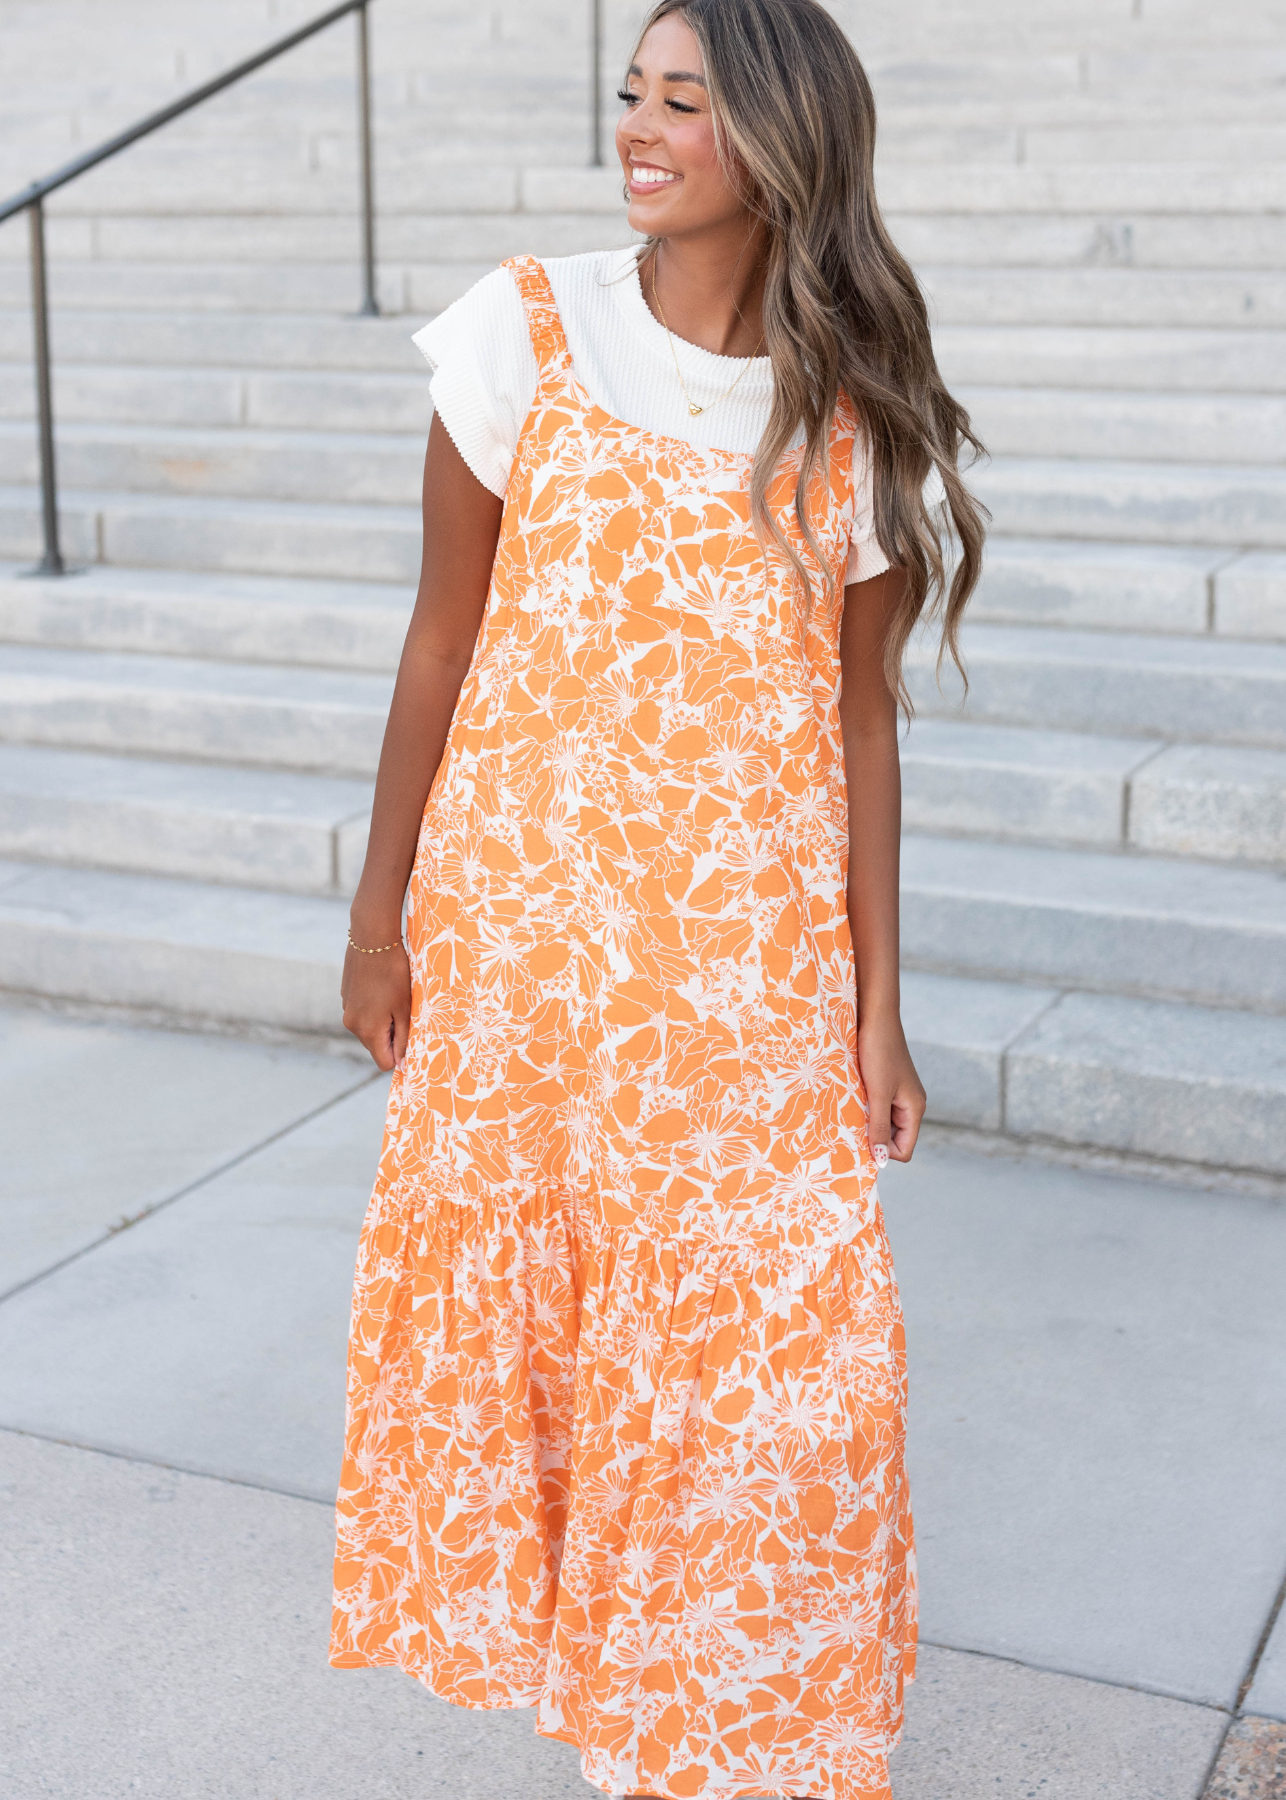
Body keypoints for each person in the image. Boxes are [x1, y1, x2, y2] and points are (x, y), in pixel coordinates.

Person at [329, 2, 984, 1796]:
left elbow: (858, 717)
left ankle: (734, 1712)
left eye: (682, 101)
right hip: (533, 957)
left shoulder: (843, 416)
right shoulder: (521, 329)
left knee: (798, 1369)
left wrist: (876, 1004)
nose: (639, 128)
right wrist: (379, 915)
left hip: (748, 982)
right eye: (633, 93)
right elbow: (441, 636)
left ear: (776, 138)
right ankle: (643, 1726)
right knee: (574, 1352)